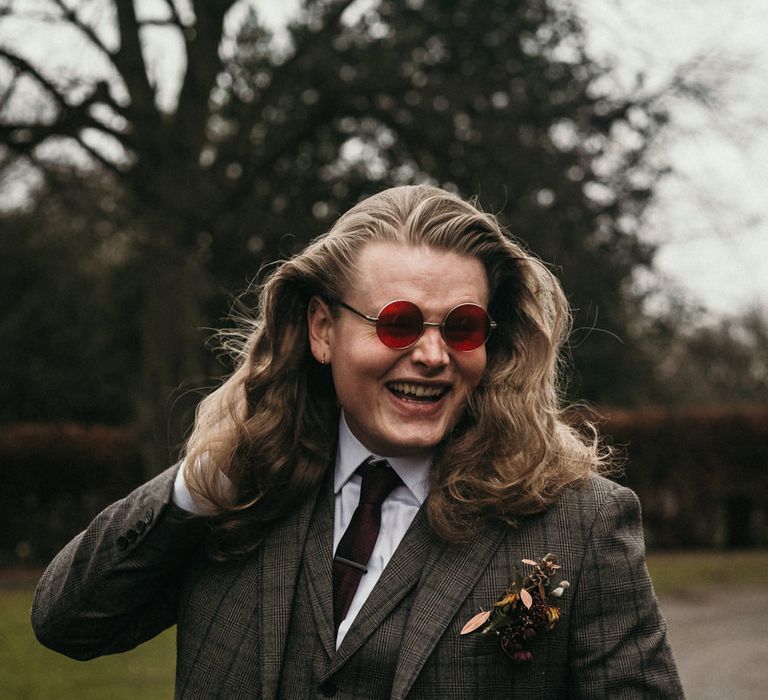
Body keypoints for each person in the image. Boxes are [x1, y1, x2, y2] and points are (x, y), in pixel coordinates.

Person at [32, 185, 683, 698]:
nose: (432, 355)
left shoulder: (582, 523)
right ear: (322, 330)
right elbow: (69, 623)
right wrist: (200, 486)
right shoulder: (237, 492)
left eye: (461, 327)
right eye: (398, 324)